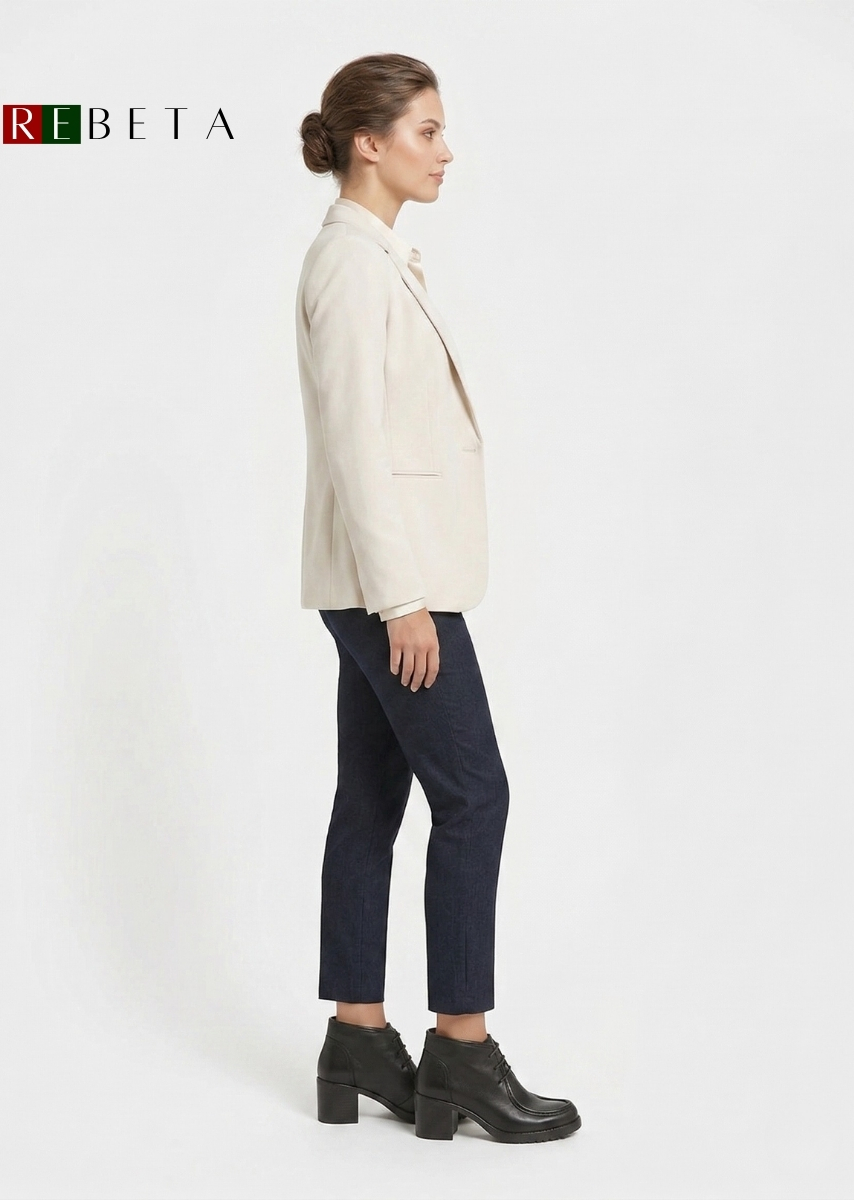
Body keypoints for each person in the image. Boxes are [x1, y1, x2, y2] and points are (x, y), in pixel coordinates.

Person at [295, 53, 581, 1144]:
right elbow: (356, 447)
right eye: (427, 130)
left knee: (372, 802)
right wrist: (402, 599)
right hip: (394, 585)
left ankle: (357, 1037)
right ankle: (460, 1049)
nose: (447, 150)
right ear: (369, 144)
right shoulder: (351, 266)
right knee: (475, 796)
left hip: (380, 582)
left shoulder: (373, 258)